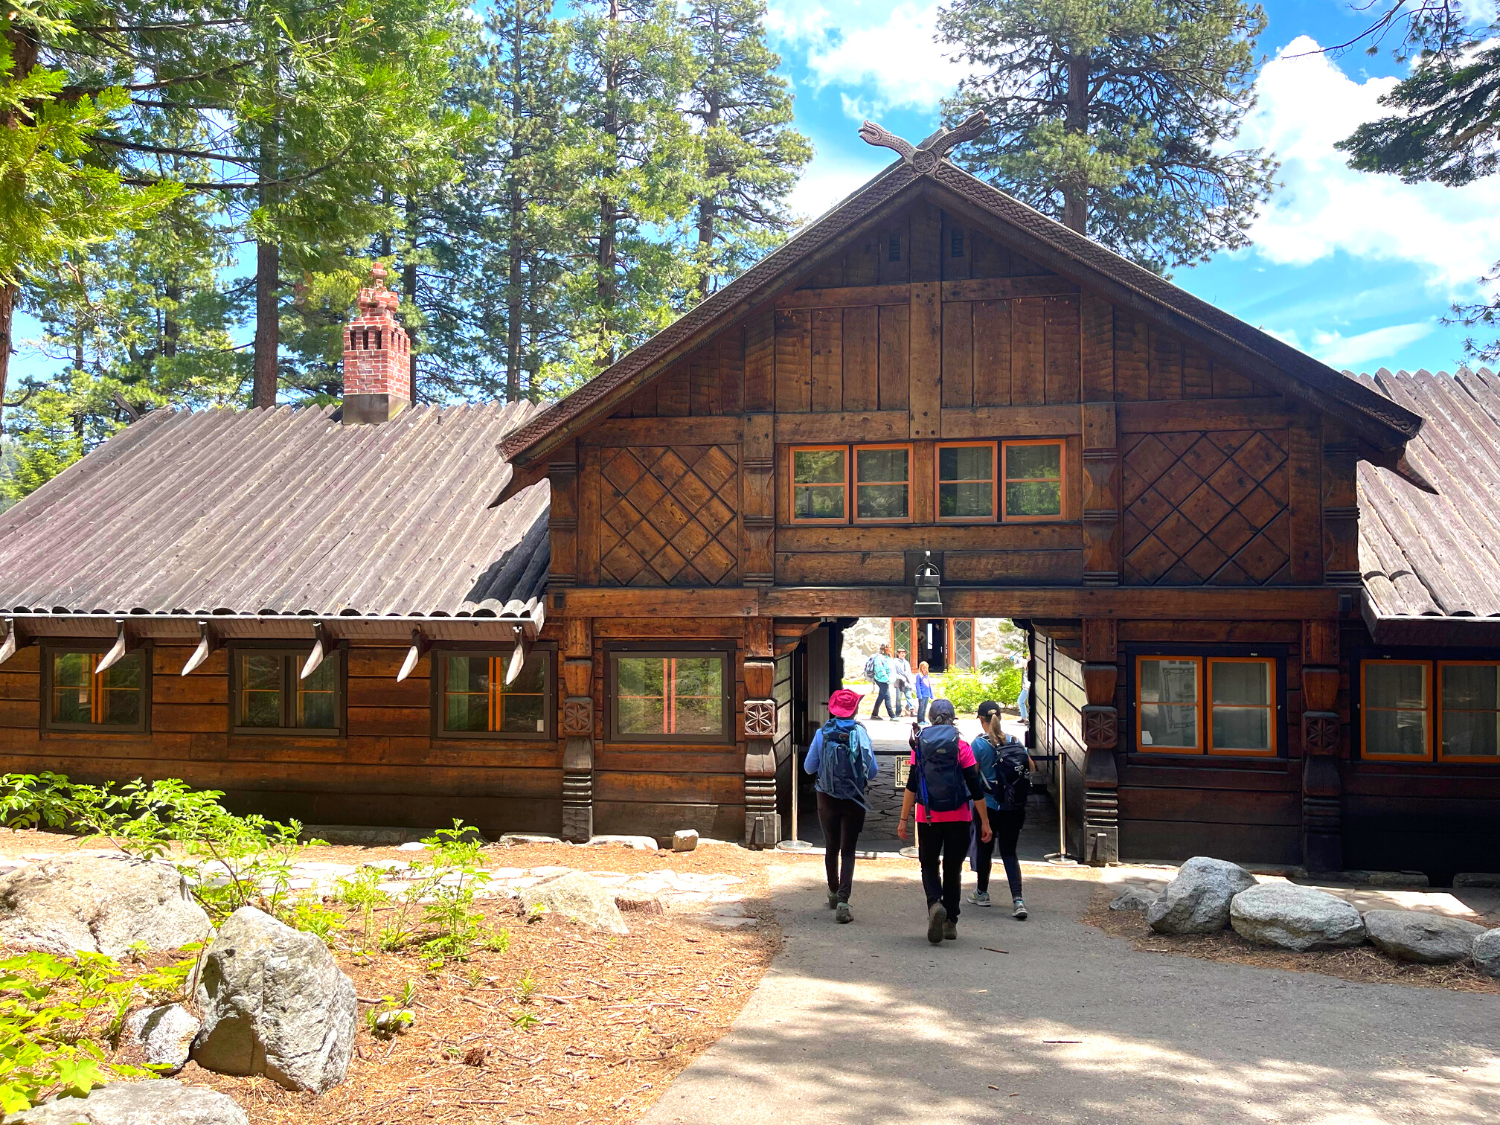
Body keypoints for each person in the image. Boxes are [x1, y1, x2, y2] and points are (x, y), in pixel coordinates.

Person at [896, 698, 991, 944]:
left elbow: (912, 785)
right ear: (953, 718)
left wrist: (903, 818)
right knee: (953, 868)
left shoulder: (921, 746)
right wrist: (985, 822)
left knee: (928, 864)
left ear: (930, 716)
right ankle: (951, 922)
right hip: (959, 816)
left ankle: (934, 904)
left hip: (927, 816)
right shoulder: (962, 746)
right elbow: (975, 786)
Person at [803, 688, 879, 924]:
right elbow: (873, 770)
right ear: (855, 709)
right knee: (848, 850)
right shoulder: (860, 733)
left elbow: (808, 767)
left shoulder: (822, 734)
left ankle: (833, 891)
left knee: (831, 846)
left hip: (826, 797)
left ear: (833, 709)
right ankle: (844, 902)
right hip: (854, 798)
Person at [968, 700, 1034, 919]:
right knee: (1009, 852)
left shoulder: (979, 745)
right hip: (1013, 805)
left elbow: (973, 773)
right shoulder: (1014, 740)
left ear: (981, 719)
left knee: (985, 847)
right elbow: (1030, 766)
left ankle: (982, 892)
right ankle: (1018, 900)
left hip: (988, 805)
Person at [866, 644, 896, 720]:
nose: (891, 649)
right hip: (880, 679)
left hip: (886, 680)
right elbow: (880, 669)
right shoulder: (879, 658)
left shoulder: (888, 657)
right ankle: (892, 715)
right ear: (885, 649)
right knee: (887, 696)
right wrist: (886, 679)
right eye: (890, 647)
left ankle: (874, 714)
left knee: (881, 696)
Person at [892, 650, 914, 716]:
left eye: (904, 653)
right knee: (898, 697)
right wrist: (900, 677)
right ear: (898, 654)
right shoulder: (895, 662)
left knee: (908, 695)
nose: (903, 654)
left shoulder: (906, 662)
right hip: (899, 681)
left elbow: (909, 673)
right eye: (901, 653)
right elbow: (894, 672)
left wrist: (910, 682)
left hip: (906, 682)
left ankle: (912, 710)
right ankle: (898, 712)